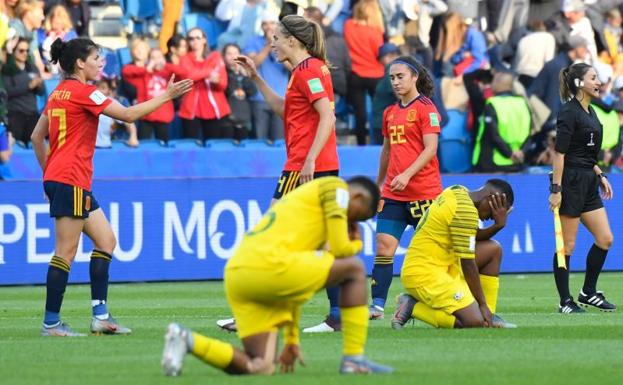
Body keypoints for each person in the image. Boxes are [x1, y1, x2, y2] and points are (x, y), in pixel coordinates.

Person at [30, 37, 192, 336]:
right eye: (97, 56)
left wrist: (48, 174)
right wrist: (167, 96)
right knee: (65, 252)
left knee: (106, 241)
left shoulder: (57, 93)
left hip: (64, 177)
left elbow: (36, 137)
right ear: (80, 63)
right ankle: (51, 323)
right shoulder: (83, 92)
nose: (101, 62)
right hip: (71, 178)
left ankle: (100, 317)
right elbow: (129, 115)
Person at [162, 176, 394, 375]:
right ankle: (354, 358)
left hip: (240, 273)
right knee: (353, 268)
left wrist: (292, 339)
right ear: (358, 199)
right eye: (356, 217)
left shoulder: (305, 214)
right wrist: (356, 243)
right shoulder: (337, 188)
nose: (350, 223)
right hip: (268, 265)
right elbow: (342, 250)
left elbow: (293, 285)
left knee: (260, 365)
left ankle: (185, 339)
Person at [216, 14, 341, 333]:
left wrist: (310, 159)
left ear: (293, 41)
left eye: (276, 38)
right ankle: (337, 315)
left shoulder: (310, 69)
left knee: (267, 237)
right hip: (311, 164)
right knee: (322, 243)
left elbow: (327, 116)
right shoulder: (302, 71)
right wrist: (257, 77)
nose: (271, 43)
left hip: (305, 166)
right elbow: (288, 111)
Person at [367, 55, 443, 320]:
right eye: (392, 78)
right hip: (393, 193)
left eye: (400, 77)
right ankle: (377, 305)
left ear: (414, 77)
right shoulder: (389, 112)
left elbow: (431, 148)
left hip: (424, 192)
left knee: (433, 254)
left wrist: (408, 174)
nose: (395, 82)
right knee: (383, 246)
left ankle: (436, 300)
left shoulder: (426, 108)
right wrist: (378, 185)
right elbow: (386, 152)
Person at [391, 180, 515, 329]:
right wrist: (481, 304)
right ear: (490, 199)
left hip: (443, 264)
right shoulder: (465, 211)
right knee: (473, 322)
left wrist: (497, 226)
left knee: (493, 250)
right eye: (496, 210)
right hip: (424, 274)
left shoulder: (457, 190)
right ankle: (412, 306)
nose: (494, 216)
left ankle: (489, 316)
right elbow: (467, 263)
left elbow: (471, 235)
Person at [548, 62, 616, 314]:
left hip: (588, 180)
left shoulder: (591, 111)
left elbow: (585, 153)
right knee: (567, 245)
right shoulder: (569, 111)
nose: (598, 82)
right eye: (593, 78)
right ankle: (565, 301)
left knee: (605, 239)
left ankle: (588, 292)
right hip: (571, 182)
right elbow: (560, 153)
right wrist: (556, 189)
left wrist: (600, 174)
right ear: (579, 83)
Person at [471, 71, 532, 173]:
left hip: (494, 162)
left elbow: (494, 135)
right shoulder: (523, 103)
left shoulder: (492, 103)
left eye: (493, 81)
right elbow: (529, 133)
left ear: (498, 84)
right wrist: (520, 152)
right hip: (517, 161)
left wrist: (509, 154)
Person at [343, 0, 385, 145]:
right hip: (376, 75)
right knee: (380, 112)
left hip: (356, 74)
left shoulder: (348, 26)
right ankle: (380, 143)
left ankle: (361, 145)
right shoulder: (375, 31)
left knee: (359, 114)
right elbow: (378, 52)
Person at [178, 27, 231, 140]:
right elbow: (189, 77)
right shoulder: (184, 59)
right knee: (190, 146)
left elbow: (223, 84)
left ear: (204, 40)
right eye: (191, 38)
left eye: (198, 37)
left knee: (213, 146)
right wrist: (209, 71)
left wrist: (214, 80)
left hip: (213, 108)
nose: (195, 41)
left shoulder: (215, 56)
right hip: (191, 108)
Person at [2, 37, 44, 147]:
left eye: (27, 50)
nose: (25, 53)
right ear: (13, 51)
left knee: (37, 142)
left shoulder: (32, 67)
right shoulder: (7, 70)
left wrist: (39, 85)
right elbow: (7, 91)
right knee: (16, 142)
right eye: (21, 50)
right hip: (15, 114)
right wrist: (29, 86)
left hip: (32, 113)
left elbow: (41, 92)